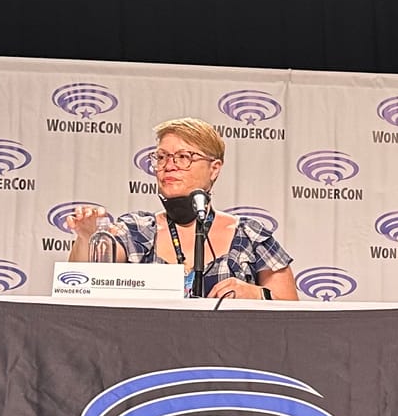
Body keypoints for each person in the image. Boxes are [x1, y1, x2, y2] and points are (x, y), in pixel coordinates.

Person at [67, 118, 299, 300]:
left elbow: (292, 312)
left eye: (183, 157)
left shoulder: (250, 235)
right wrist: (87, 238)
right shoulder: (136, 230)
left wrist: (257, 294)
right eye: (161, 157)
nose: (169, 166)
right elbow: (83, 285)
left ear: (214, 168)